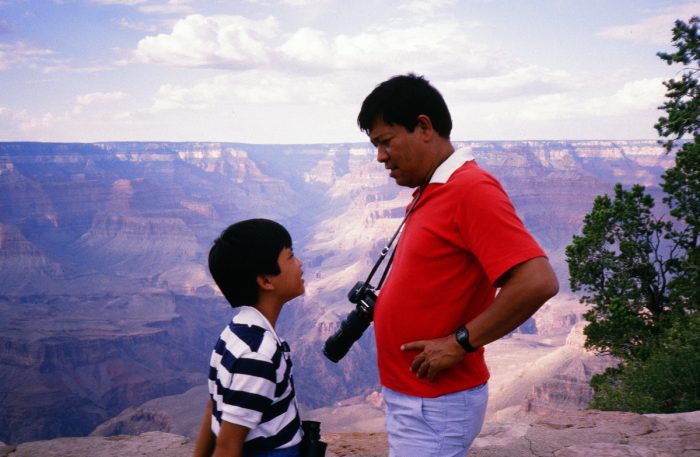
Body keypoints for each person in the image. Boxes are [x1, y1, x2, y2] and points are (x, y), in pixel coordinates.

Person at [357, 74, 559, 456]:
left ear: (424, 127)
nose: (380, 157)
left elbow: (538, 280)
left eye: (385, 142)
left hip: (435, 405)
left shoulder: (470, 189)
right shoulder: (433, 188)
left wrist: (459, 343)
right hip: (417, 400)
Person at [193, 219, 305, 457]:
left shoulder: (232, 334)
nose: (300, 264)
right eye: (291, 257)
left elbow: (213, 409)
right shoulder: (258, 354)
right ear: (266, 281)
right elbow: (227, 446)